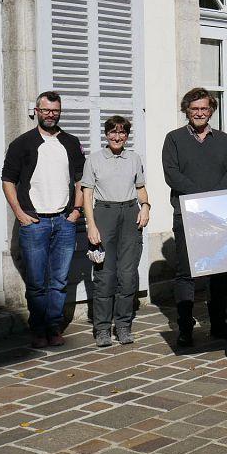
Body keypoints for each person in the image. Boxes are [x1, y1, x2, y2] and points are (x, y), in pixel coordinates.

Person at [1, 91, 85, 348]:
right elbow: (8, 181)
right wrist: (20, 214)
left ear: (60, 112)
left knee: (59, 281)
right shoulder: (22, 143)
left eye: (55, 110)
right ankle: (38, 330)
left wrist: (76, 211)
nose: (51, 114)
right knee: (36, 282)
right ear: (37, 111)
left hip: (64, 220)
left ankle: (54, 327)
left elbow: (82, 180)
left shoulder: (71, 142)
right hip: (34, 222)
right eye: (46, 110)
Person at [161, 87, 227, 347]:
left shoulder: (224, 139)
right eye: (195, 109)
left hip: (218, 215)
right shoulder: (174, 139)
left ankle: (218, 324)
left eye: (204, 109)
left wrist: (213, 198)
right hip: (187, 214)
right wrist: (201, 197)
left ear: (211, 110)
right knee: (187, 274)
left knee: (220, 272)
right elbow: (172, 175)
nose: (200, 113)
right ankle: (185, 328)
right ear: (187, 112)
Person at [81, 115, 150, 347]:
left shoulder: (134, 159)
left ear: (127, 135)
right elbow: (87, 194)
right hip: (104, 214)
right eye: (113, 132)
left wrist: (146, 207)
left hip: (130, 213)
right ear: (106, 134)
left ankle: (123, 325)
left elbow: (140, 188)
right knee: (104, 274)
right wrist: (91, 224)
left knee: (128, 274)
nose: (117, 137)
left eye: (122, 133)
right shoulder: (94, 160)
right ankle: (101, 328)